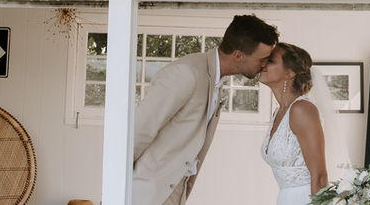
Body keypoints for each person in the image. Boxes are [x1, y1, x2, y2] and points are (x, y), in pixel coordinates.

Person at [133, 14, 279, 205]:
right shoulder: (186, 73)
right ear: (238, 55)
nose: (265, 64)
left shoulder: (216, 79)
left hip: (176, 189)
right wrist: (114, 188)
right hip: (147, 191)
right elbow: (139, 130)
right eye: (263, 58)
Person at [259, 43, 328, 205]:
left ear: (290, 73)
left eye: (270, 60)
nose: (263, 64)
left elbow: (319, 175)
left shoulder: (302, 109)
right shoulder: (279, 112)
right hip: (285, 198)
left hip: (305, 198)